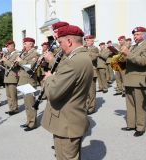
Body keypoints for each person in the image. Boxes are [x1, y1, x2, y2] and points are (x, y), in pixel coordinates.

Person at [41, 25, 93, 160]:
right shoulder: (82, 56)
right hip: (72, 118)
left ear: (69, 41)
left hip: (66, 122)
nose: (60, 46)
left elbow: (52, 92)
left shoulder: (73, 61)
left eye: (60, 43)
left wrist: (48, 78)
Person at [121, 26, 146, 137]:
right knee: (130, 104)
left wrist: (128, 53)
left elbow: (143, 61)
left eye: (137, 34)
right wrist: (121, 56)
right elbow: (127, 59)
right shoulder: (132, 47)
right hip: (129, 78)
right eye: (134, 35)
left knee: (140, 105)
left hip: (139, 79)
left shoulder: (145, 46)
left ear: (144, 35)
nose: (135, 37)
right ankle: (131, 124)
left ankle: (140, 126)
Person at [16, 37, 39, 131]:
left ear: (31, 44)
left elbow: (29, 67)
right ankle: (28, 121)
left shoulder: (35, 53)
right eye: (24, 43)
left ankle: (32, 123)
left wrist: (20, 61)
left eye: (26, 43)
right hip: (24, 81)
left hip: (29, 81)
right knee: (27, 104)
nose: (24, 45)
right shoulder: (26, 54)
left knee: (31, 104)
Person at [2, 40, 20, 115]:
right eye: (6, 46)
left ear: (12, 46)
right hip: (7, 77)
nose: (7, 48)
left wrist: (5, 60)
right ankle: (11, 108)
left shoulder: (17, 54)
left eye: (8, 46)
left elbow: (14, 65)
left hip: (13, 77)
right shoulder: (8, 54)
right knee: (8, 95)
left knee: (13, 95)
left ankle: (15, 108)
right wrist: (3, 61)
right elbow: (6, 65)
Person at [84, 35, 98, 115]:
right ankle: (86, 106)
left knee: (91, 92)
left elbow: (92, 58)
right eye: (87, 40)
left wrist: (85, 51)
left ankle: (91, 108)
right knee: (85, 91)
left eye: (89, 40)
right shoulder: (85, 48)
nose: (87, 41)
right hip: (84, 72)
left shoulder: (94, 49)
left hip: (92, 72)